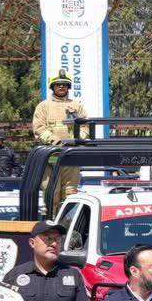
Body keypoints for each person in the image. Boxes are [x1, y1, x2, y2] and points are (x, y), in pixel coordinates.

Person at [32, 69, 87, 209]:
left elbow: (85, 128)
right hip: (51, 158)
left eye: (64, 84)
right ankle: (51, 226)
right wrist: (55, 141)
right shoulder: (43, 106)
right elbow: (39, 129)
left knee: (70, 194)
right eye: (58, 84)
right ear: (52, 87)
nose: (61, 86)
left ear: (68, 87)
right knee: (51, 193)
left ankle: (68, 226)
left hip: (71, 158)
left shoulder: (77, 106)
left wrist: (76, 140)